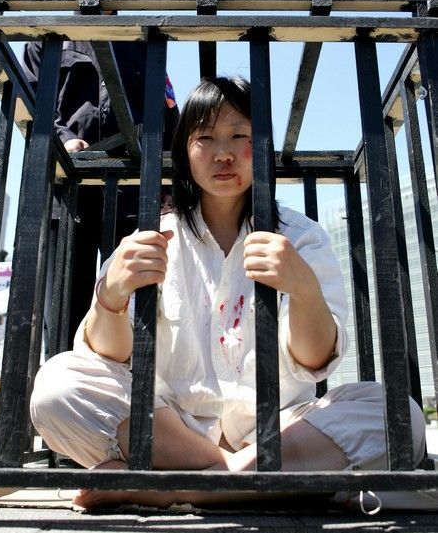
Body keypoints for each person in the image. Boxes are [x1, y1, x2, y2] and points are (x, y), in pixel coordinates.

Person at [30, 76, 426, 509]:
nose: (223, 153)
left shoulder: (301, 238)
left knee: (399, 415)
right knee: (56, 385)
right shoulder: (156, 239)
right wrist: (112, 295)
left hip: (280, 429)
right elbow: (107, 360)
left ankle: (178, 488)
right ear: (185, 150)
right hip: (171, 431)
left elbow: (314, 361)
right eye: (205, 137)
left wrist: (304, 288)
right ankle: (243, 480)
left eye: (240, 135)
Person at [22, 0, 179, 346]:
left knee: (138, 308)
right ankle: (57, 401)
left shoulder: (146, 39)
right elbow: (35, 105)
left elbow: (168, 115)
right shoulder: (48, 38)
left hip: (132, 191)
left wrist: (168, 189)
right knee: (63, 308)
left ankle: (134, 401)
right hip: (68, 191)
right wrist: (61, 139)